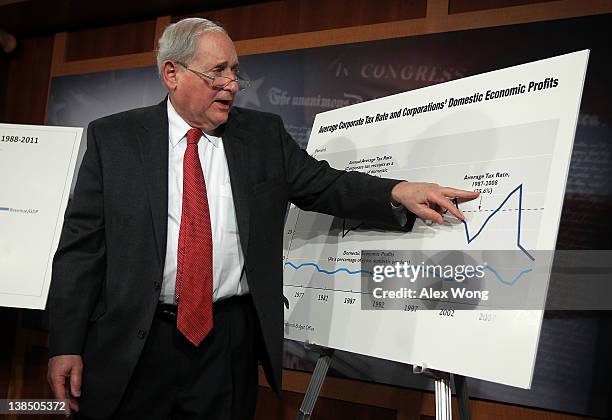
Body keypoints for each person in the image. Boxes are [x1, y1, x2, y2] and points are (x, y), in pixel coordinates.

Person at [46, 17, 478, 420]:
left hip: (227, 343)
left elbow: (324, 185)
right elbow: (82, 248)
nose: (232, 85)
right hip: (135, 341)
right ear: (172, 74)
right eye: (217, 72)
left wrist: (397, 191)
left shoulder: (262, 135)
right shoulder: (114, 138)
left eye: (236, 71)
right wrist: (64, 344)